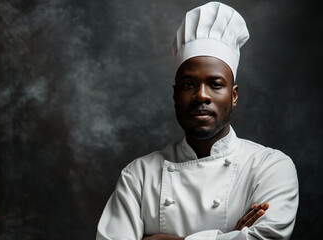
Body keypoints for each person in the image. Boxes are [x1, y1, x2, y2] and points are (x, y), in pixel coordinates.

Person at [96, 2, 299, 240]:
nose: (201, 95)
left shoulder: (269, 167)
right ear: (175, 95)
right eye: (188, 84)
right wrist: (230, 236)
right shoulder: (139, 176)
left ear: (233, 96)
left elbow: (268, 237)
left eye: (215, 84)